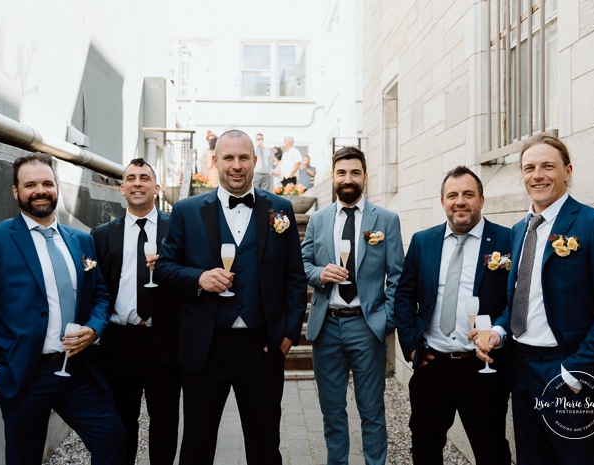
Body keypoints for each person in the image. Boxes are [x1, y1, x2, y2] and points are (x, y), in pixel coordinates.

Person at [473, 134, 594, 465]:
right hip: (521, 367)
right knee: (531, 459)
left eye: (548, 166)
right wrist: (500, 332)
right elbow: (519, 299)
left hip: (566, 369)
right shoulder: (519, 230)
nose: (538, 175)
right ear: (521, 175)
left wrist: (575, 372)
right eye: (529, 167)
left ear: (567, 171)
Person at [155, 129, 308, 465]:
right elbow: (163, 269)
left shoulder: (279, 208)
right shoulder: (187, 210)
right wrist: (199, 277)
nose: (236, 165)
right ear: (215, 161)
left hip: (261, 346)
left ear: (255, 161)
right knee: (196, 445)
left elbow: (295, 277)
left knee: (265, 445)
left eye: (243, 158)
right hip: (205, 347)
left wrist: (288, 333)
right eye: (229, 158)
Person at [0, 153, 126, 465]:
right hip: (23, 373)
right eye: (30, 184)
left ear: (56, 188)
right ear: (16, 191)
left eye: (47, 183)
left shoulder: (81, 241)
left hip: (78, 371)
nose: (40, 190)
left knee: (113, 440)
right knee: (24, 458)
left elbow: (101, 296)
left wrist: (93, 328)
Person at [394, 166, 512, 465]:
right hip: (433, 365)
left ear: (482, 200)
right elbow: (404, 296)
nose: (460, 201)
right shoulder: (423, 241)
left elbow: (516, 301)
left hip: (483, 368)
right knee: (425, 446)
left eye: (468, 194)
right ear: (443, 201)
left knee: (492, 449)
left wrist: (498, 331)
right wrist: (410, 347)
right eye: (453, 195)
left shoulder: (507, 241)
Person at [301, 146, 404, 465]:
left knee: (372, 411)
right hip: (326, 326)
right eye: (342, 173)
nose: (348, 179)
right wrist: (320, 273)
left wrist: (385, 320)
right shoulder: (318, 220)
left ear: (365, 176)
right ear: (333, 177)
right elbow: (302, 263)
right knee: (332, 413)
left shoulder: (385, 220)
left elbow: (398, 276)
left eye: (355, 172)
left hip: (366, 325)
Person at [91, 158, 180, 465]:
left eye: (144, 178)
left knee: (166, 422)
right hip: (119, 341)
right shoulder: (103, 234)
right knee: (121, 423)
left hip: (165, 340)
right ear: (122, 188)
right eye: (131, 178)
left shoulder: (176, 228)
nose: (137, 183)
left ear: (156, 188)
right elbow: (97, 288)